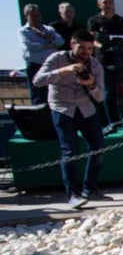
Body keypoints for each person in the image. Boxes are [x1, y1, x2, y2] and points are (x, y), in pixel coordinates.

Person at [32, 29, 106, 209]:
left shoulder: (95, 65)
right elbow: (37, 80)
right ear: (73, 44)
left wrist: (91, 85)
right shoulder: (57, 58)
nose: (86, 53)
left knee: (98, 148)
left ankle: (90, 189)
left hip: (86, 109)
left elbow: (100, 97)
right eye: (82, 48)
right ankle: (72, 194)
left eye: (89, 49)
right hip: (63, 109)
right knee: (69, 151)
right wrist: (64, 70)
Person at [86, 0, 123, 124]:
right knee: (108, 91)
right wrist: (103, 46)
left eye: (109, 2)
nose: (107, 5)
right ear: (99, 4)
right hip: (104, 61)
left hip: (122, 61)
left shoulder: (122, 21)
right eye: (104, 2)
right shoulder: (94, 20)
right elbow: (91, 39)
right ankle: (112, 122)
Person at [19, 3, 64, 104]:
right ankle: (38, 117)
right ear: (26, 16)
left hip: (51, 66)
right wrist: (48, 45)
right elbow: (29, 46)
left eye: (38, 15)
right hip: (35, 66)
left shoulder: (49, 29)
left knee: (53, 94)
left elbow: (60, 41)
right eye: (32, 15)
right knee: (38, 96)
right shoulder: (23, 31)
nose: (36, 18)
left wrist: (46, 36)